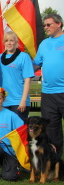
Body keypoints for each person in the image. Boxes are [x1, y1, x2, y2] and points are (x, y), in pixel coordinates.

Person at [34, 13, 64, 157]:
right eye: (44, 25)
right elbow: (35, 65)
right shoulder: (44, 44)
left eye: (48, 24)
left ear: (59, 24)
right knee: (52, 129)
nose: (45, 28)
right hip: (48, 94)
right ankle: (55, 164)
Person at [0, 32, 34, 123]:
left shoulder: (24, 57)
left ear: (16, 42)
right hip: (3, 100)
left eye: (11, 40)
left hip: (18, 101)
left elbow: (28, 79)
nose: (9, 43)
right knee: (5, 129)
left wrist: (23, 100)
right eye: (6, 40)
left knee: (18, 131)